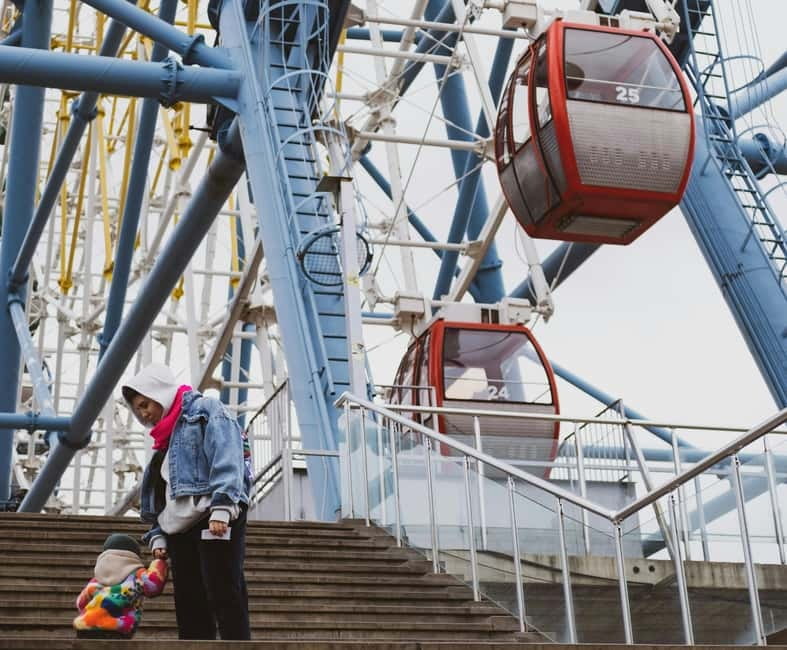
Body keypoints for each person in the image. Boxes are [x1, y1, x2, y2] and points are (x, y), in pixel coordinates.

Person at [123, 363, 251, 640]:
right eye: (138, 410)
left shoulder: (206, 410)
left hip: (212, 513)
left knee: (223, 588)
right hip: (178, 527)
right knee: (189, 599)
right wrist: (157, 535)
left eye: (146, 404)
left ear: (160, 391)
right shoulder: (163, 443)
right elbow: (160, 493)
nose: (144, 413)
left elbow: (228, 454)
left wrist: (223, 505)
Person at [73, 533, 168, 639]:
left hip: (86, 625)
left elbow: (80, 603)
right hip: (116, 628)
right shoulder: (137, 575)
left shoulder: (96, 579)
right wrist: (159, 562)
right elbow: (153, 586)